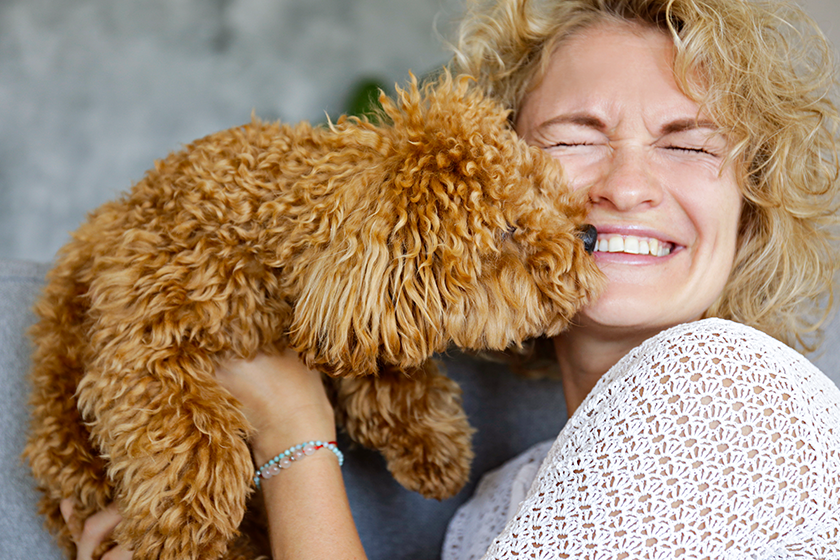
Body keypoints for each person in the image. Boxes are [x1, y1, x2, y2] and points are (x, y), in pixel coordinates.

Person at [61, 0, 840, 558]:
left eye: (690, 146)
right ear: (488, 182)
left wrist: (292, 432)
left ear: (753, 207)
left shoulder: (729, 390)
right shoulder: (499, 501)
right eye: (576, 137)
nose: (627, 186)